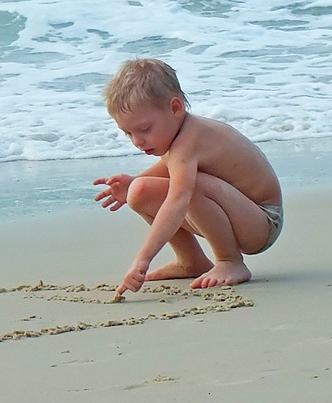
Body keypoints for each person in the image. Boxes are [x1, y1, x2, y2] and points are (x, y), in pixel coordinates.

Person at [92, 58, 282, 298]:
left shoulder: (189, 141)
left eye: (145, 129)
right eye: (128, 133)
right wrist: (131, 184)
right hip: (237, 216)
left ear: (175, 108)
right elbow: (167, 168)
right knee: (139, 192)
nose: (137, 142)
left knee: (188, 188)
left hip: (262, 221)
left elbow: (178, 199)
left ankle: (230, 260)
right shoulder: (177, 139)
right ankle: (191, 260)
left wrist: (143, 260)